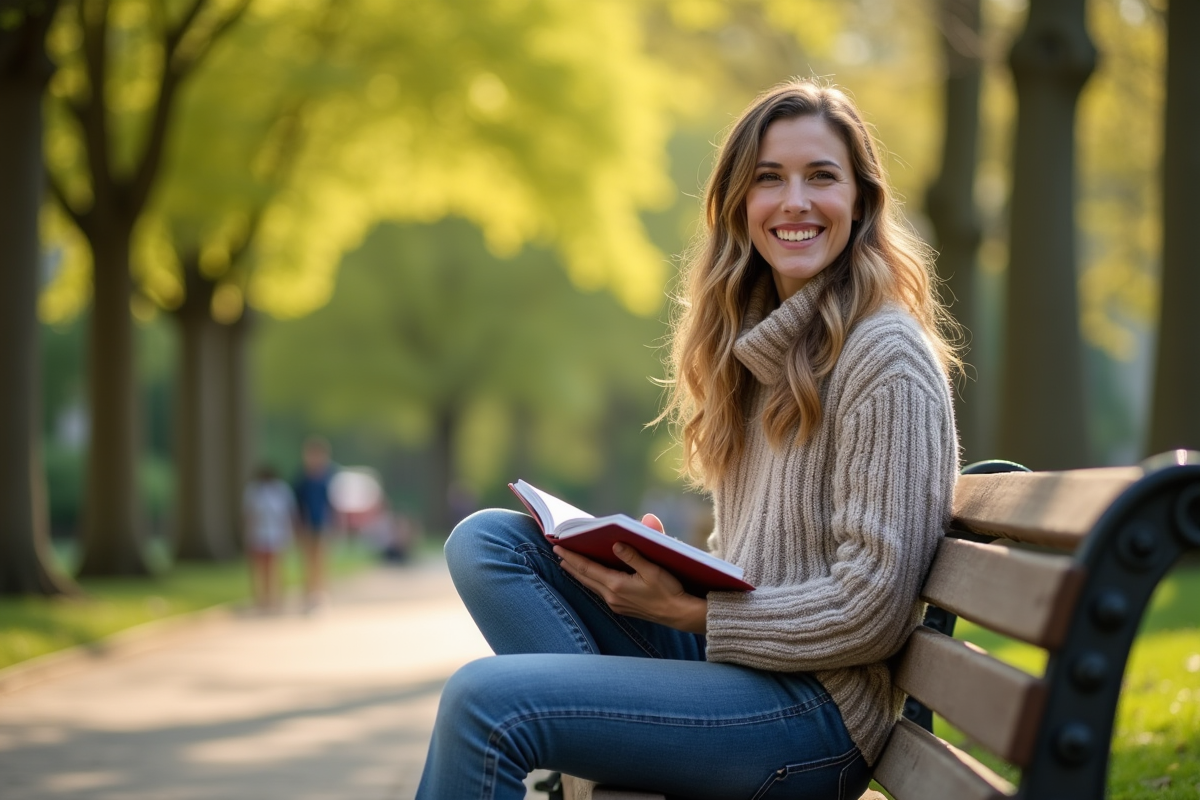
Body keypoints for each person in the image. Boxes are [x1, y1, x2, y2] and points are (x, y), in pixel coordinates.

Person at [416, 79, 961, 800]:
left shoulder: (883, 356)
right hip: (742, 672)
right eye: (769, 179)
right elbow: (774, 560)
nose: (794, 201)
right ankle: (603, 736)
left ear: (860, 202)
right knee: (488, 544)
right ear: (741, 205)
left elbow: (871, 608)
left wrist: (691, 610)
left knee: (485, 703)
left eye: (821, 177)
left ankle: (589, 734)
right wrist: (669, 568)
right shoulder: (767, 346)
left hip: (815, 719)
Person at [242, 464, 296, 612]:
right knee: (260, 567)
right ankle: (261, 599)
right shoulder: (254, 491)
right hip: (259, 534)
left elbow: (288, 513)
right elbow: (249, 515)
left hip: (276, 534)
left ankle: (275, 598)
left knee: (275, 567)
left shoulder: (281, 490)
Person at [293, 436, 337, 611]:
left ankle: (320, 593)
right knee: (307, 560)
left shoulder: (329, 477)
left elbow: (333, 502)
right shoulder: (302, 478)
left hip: (323, 523)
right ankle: (308, 593)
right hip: (306, 524)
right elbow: (296, 504)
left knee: (321, 560)